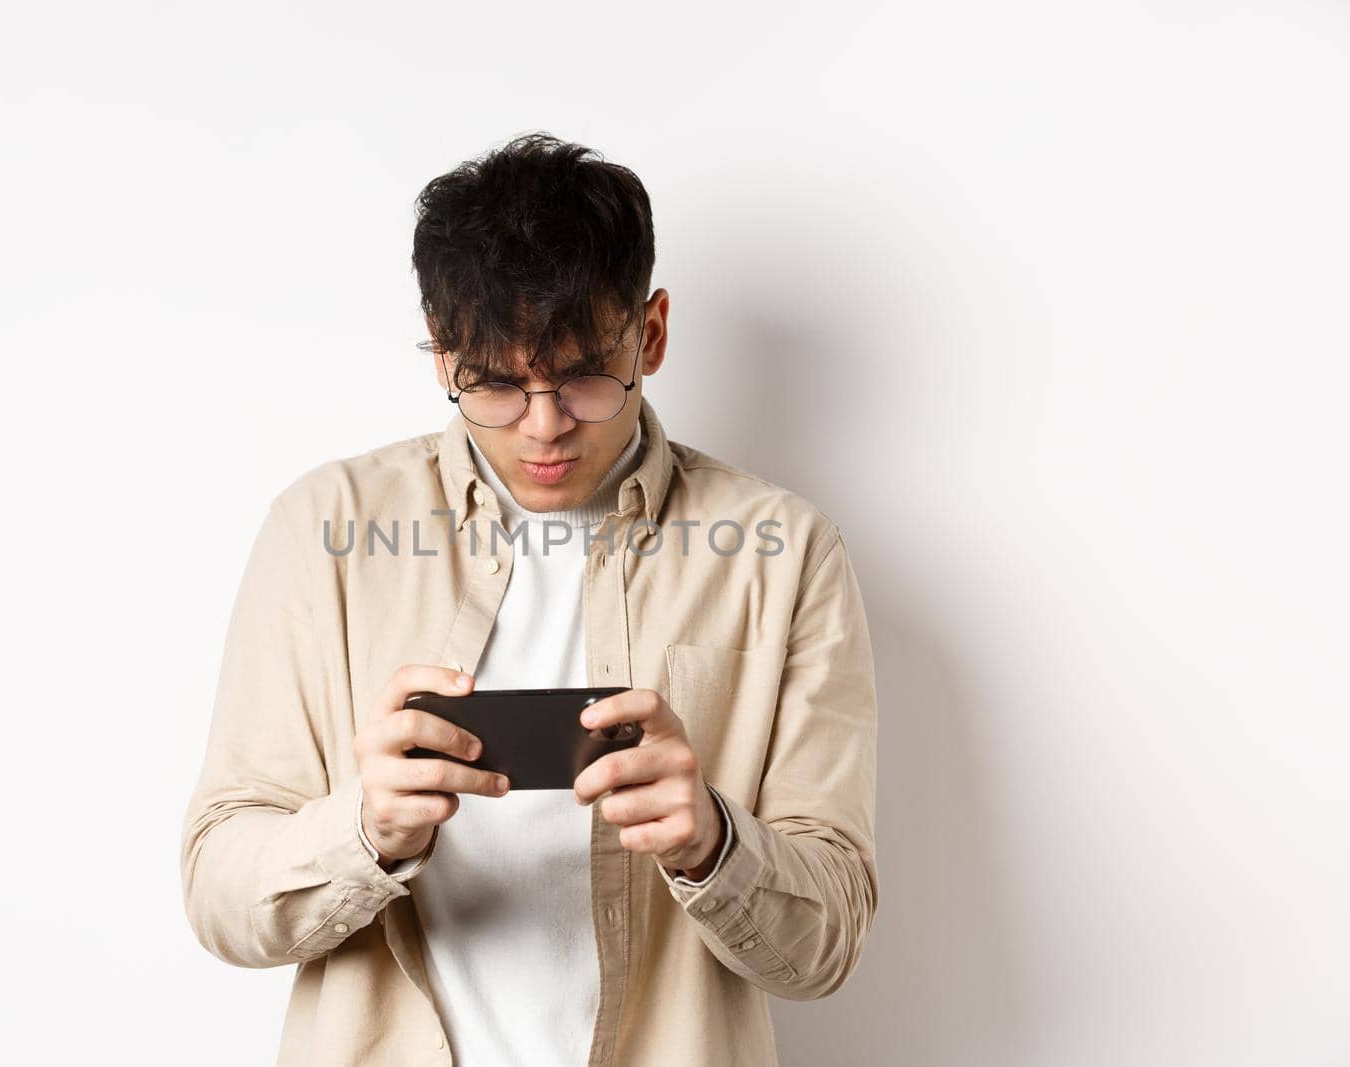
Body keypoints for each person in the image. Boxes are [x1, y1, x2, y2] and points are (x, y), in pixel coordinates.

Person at [179, 131, 880, 1067]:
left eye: (586, 375)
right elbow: (219, 895)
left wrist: (714, 840)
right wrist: (363, 831)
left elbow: (830, 939)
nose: (544, 426)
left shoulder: (785, 551)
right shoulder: (323, 528)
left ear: (654, 332)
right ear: (442, 356)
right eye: (497, 384)